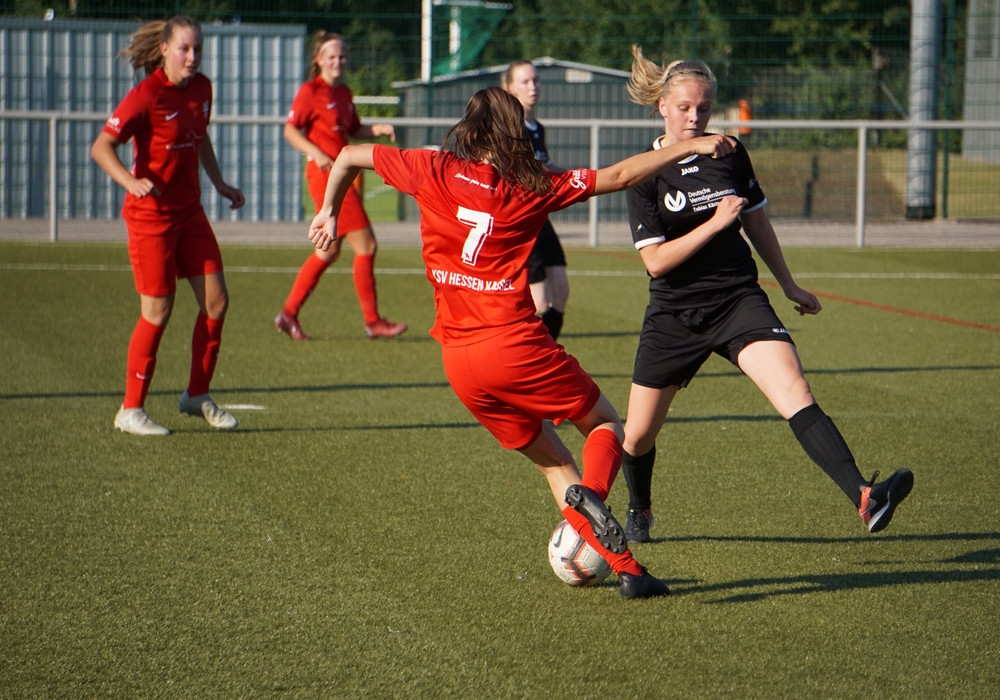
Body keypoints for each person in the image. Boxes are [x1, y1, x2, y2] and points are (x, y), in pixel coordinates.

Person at [309, 86, 736, 599]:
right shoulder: (531, 184)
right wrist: (689, 146)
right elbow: (621, 175)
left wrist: (329, 211)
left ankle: (628, 571)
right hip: (513, 346)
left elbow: (350, 154)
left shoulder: (431, 167)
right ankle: (593, 498)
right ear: (514, 131)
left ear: (471, 129)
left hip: (458, 362)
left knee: (556, 463)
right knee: (603, 422)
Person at [619, 45, 913, 543]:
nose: (696, 117)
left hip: (738, 298)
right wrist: (714, 224)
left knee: (795, 391)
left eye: (705, 107)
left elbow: (755, 220)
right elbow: (656, 262)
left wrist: (789, 283)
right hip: (677, 311)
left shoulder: (730, 152)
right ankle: (639, 509)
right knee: (638, 434)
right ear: (662, 107)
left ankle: (864, 496)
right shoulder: (643, 172)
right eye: (686, 107)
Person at [91, 15, 244, 436]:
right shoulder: (146, 96)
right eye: (184, 48)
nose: (193, 56)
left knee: (216, 302)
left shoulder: (202, 89)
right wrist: (130, 180)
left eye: (198, 49)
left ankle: (197, 395)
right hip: (151, 218)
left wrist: (219, 182)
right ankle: (131, 409)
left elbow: (200, 137)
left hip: (190, 213)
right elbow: (101, 146)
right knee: (157, 310)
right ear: (164, 50)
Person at [274, 31, 407, 341]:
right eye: (331, 56)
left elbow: (353, 129)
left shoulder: (344, 93)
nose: (338, 61)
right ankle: (373, 322)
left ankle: (288, 313)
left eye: (342, 56)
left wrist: (377, 128)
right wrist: (317, 153)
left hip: (342, 174)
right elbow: (290, 131)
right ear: (318, 60)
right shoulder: (310, 91)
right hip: (326, 178)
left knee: (328, 252)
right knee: (367, 245)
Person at [502, 60, 569, 340]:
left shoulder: (536, 127)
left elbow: (545, 165)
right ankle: (525, 357)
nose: (533, 86)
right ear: (510, 87)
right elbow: (521, 170)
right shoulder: (509, 127)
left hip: (542, 219)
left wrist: (577, 176)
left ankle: (547, 350)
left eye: (536, 80)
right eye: (526, 81)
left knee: (561, 291)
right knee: (539, 303)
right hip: (522, 222)